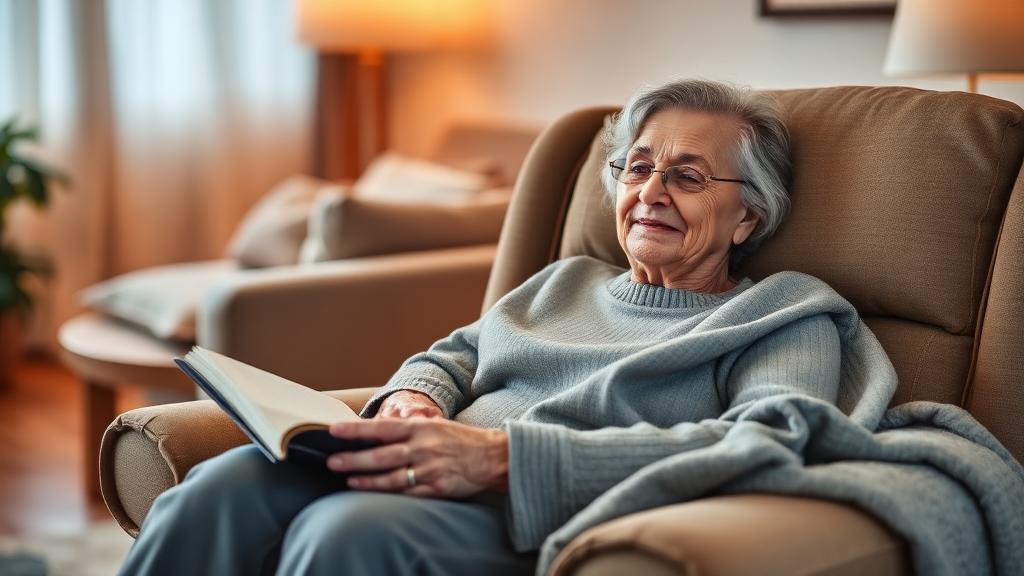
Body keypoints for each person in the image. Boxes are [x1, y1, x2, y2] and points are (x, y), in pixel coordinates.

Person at [120, 79, 852, 575]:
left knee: (340, 534)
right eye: (636, 169)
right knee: (222, 486)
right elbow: (453, 355)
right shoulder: (568, 280)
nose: (650, 192)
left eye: (688, 177)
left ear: (750, 214)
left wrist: (502, 460)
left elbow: (770, 441)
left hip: (527, 515)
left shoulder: (781, 314)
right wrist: (418, 400)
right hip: (419, 469)